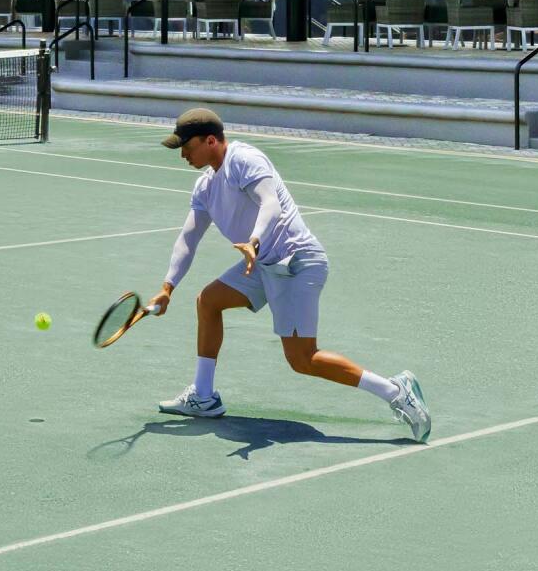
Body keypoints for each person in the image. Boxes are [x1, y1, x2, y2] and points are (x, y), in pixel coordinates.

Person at [144, 107, 428, 440]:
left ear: (211, 140)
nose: (183, 154)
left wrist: (254, 239)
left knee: (303, 358)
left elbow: (270, 204)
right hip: (262, 264)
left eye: (187, 146)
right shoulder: (205, 187)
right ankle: (203, 397)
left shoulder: (244, 159)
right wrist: (167, 287)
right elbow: (188, 239)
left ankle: (396, 391)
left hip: (296, 262)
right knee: (208, 301)